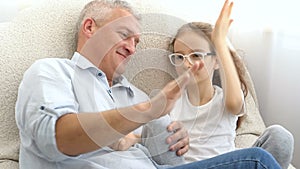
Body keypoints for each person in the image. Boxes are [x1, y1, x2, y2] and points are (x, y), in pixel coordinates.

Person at [15, 0, 282, 168]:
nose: (133, 49)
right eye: (125, 35)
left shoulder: (136, 93)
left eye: (137, 42)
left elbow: (166, 159)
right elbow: (58, 139)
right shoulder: (51, 72)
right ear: (89, 28)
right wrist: (144, 112)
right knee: (257, 162)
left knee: (277, 141)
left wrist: (174, 141)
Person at [164, 1, 294, 169]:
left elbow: (234, 103)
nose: (187, 64)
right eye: (179, 57)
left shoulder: (224, 100)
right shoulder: (170, 101)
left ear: (217, 61)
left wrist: (219, 41)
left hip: (229, 165)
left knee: (280, 136)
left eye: (196, 55)